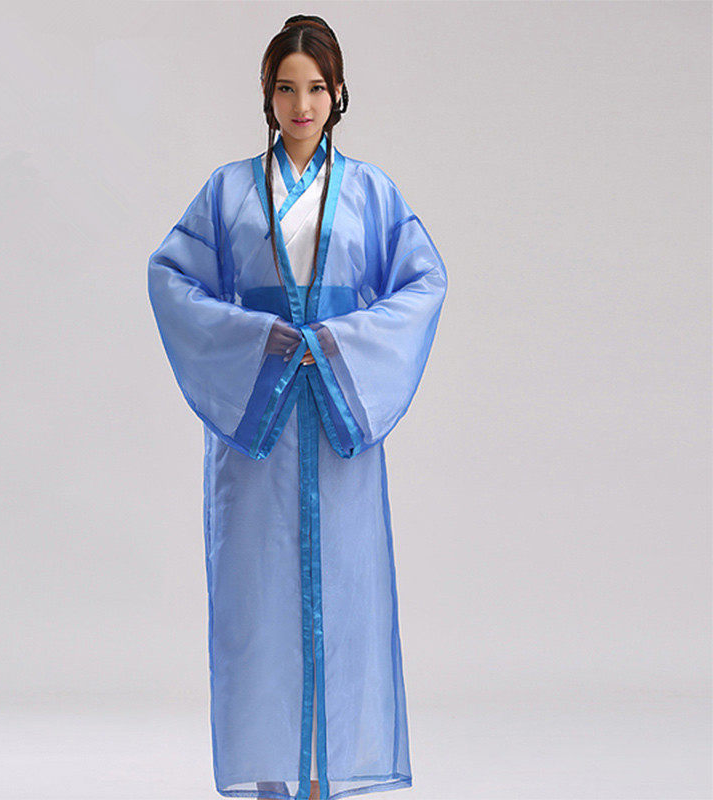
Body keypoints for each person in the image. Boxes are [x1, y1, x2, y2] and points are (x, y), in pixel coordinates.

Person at [147, 14, 448, 800]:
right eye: (286, 88)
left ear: (338, 92)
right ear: (267, 94)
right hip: (260, 432)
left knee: (345, 607)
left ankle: (328, 779)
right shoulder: (227, 192)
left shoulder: (372, 194)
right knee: (259, 612)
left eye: (316, 88)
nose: (302, 105)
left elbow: (423, 283)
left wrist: (339, 344)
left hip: (339, 425)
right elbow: (171, 279)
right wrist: (265, 341)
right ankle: (271, 779)